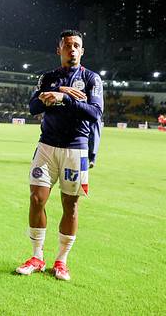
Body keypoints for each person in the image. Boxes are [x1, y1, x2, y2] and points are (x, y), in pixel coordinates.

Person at [16, 29, 104, 281]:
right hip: (46, 146)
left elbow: (95, 113)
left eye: (77, 45)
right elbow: (33, 107)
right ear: (59, 50)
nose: (72, 49)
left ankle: (61, 261)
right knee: (36, 199)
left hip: (75, 149)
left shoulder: (91, 79)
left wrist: (62, 97)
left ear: (82, 50)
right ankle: (37, 256)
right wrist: (53, 94)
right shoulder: (47, 77)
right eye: (67, 45)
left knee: (71, 205)